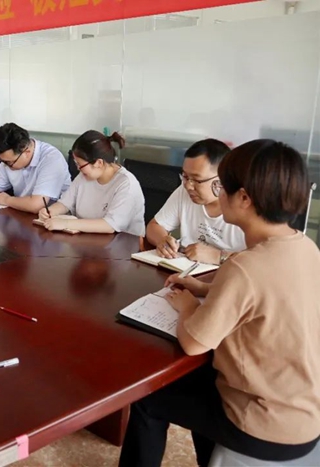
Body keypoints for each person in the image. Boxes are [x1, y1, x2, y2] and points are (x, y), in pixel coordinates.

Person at [119, 140, 320, 467]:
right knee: (200, 386)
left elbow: (194, 342)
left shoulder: (245, 266)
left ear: (244, 198)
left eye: (221, 187)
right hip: (304, 413)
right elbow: (262, 297)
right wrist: (201, 286)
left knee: (149, 398)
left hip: (262, 423)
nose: (217, 194)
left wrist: (187, 304)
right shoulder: (305, 247)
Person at [146, 139, 246, 265]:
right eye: (185, 177)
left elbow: (263, 258)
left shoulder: (245, 205)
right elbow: (155, 226)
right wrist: (162, 240)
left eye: (197, 180)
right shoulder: (184, 191)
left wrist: (218, 256)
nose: (188, 186)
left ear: (222, 179)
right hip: (184, 269)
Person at [37, 131, 145, 236]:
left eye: (80, 165)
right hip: (87, 240)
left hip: (121, 244)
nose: (78, 169)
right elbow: (65, 203)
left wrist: (66, 223)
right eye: (76, 164)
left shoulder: (126, 184)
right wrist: (50, 211)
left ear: (99, 163)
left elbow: (110, 225)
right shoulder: (84, 176)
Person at [0, 123, 71, 214]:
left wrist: (7, 200)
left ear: (27, 152)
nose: (6, 166)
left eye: (9, 163)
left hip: (55, 217)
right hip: (23, 214)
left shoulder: (51, 159)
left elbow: (37, 205)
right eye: (2, 161)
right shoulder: (10, 159)